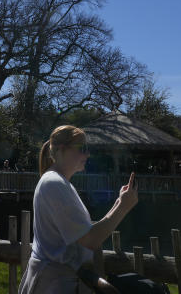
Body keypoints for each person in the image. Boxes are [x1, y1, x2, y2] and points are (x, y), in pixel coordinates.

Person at [19, 125, 139, 294]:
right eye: (82, 148)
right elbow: (89, 240)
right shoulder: (54, 183)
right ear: (61, 150)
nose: (87, 154)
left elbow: (85, 233)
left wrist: (120, 201)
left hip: (56, 281)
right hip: (53, 285)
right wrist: (123, 207)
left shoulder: (58, 182)